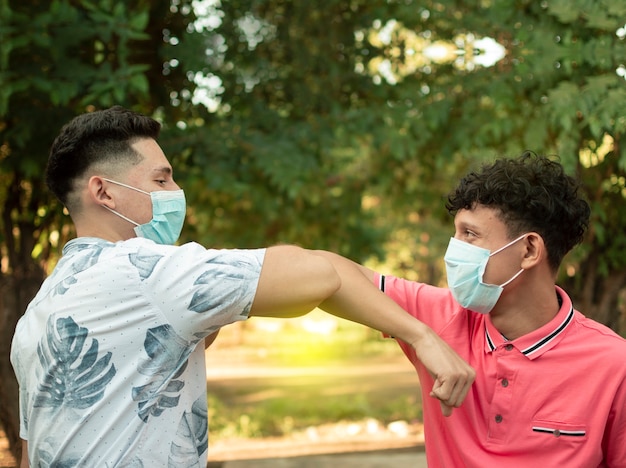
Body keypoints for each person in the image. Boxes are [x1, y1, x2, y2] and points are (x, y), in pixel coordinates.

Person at [10, 106, 474, 467]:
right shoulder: (149, 272)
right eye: (161, 178)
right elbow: (321, 274)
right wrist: (422, 335)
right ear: (104, 192)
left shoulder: (40, 313)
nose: (175, 190)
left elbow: (34, 453)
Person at [315, 153, 626, 466]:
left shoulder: (615, 365)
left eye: (469, 234)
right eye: (456, 233)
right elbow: (323, 272)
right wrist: (421, 337)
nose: (454, 250)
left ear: (529, 250)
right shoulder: (434, 317)